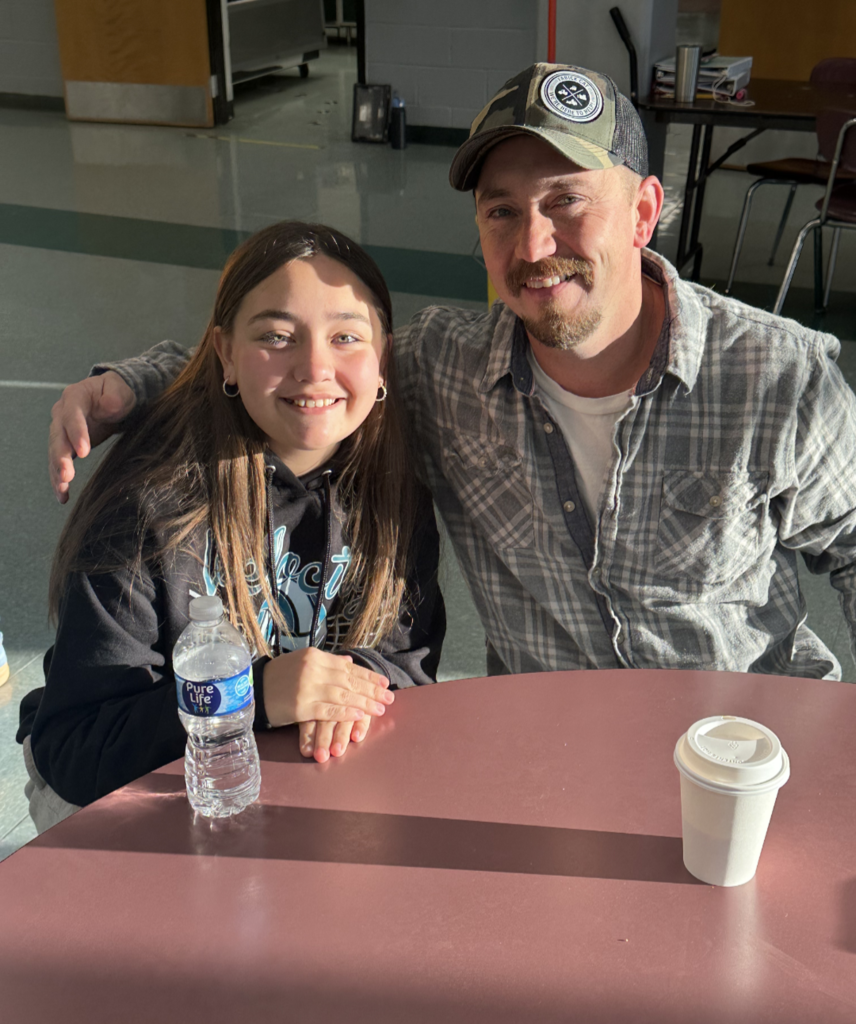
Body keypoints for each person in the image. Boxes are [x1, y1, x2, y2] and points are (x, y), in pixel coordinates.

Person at [46, 63, 856, 683]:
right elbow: (310, 353)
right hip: (551, 755)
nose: (533, 247)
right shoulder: (445, 367)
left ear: (644, 212)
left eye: (568, 202)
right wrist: (133, 382)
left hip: (741, 751)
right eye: (502, 210)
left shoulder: (777, 379)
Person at [20, 221, 444, 825]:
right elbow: (77, 748)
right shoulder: (151, 505)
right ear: (225, 353)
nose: (315, 367)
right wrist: (253, 693)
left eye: (347, 336)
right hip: (128, 788)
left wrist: (347, 688)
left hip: (285, 778)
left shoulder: (396, 493)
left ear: (384, 360)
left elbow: (406, 657)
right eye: (276, 335)